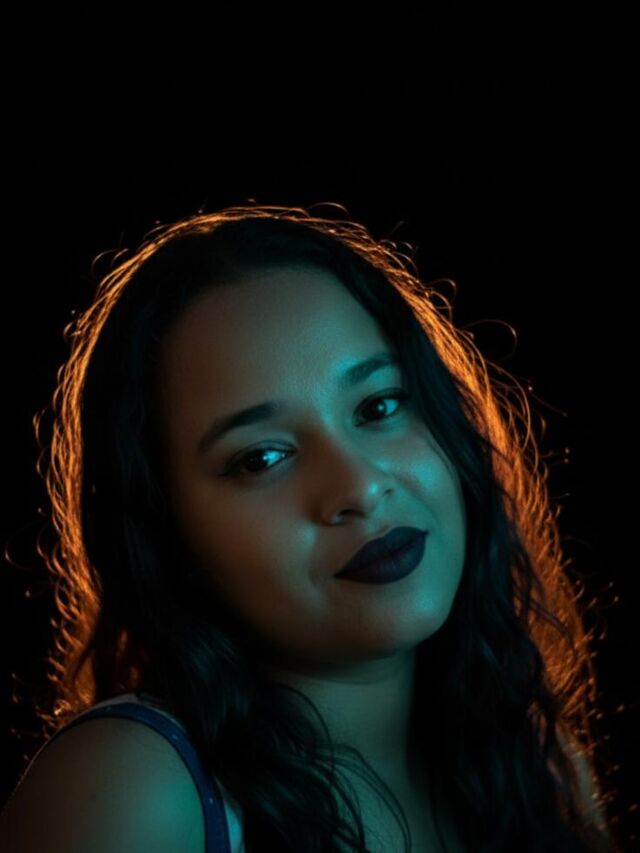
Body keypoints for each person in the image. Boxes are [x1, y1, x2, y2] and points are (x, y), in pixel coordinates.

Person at [0, 204, 618, 852]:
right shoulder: (130, 791)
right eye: (262, 457)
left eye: (378, 406)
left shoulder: (545, 772)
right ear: (163, 531)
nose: (359, 486)